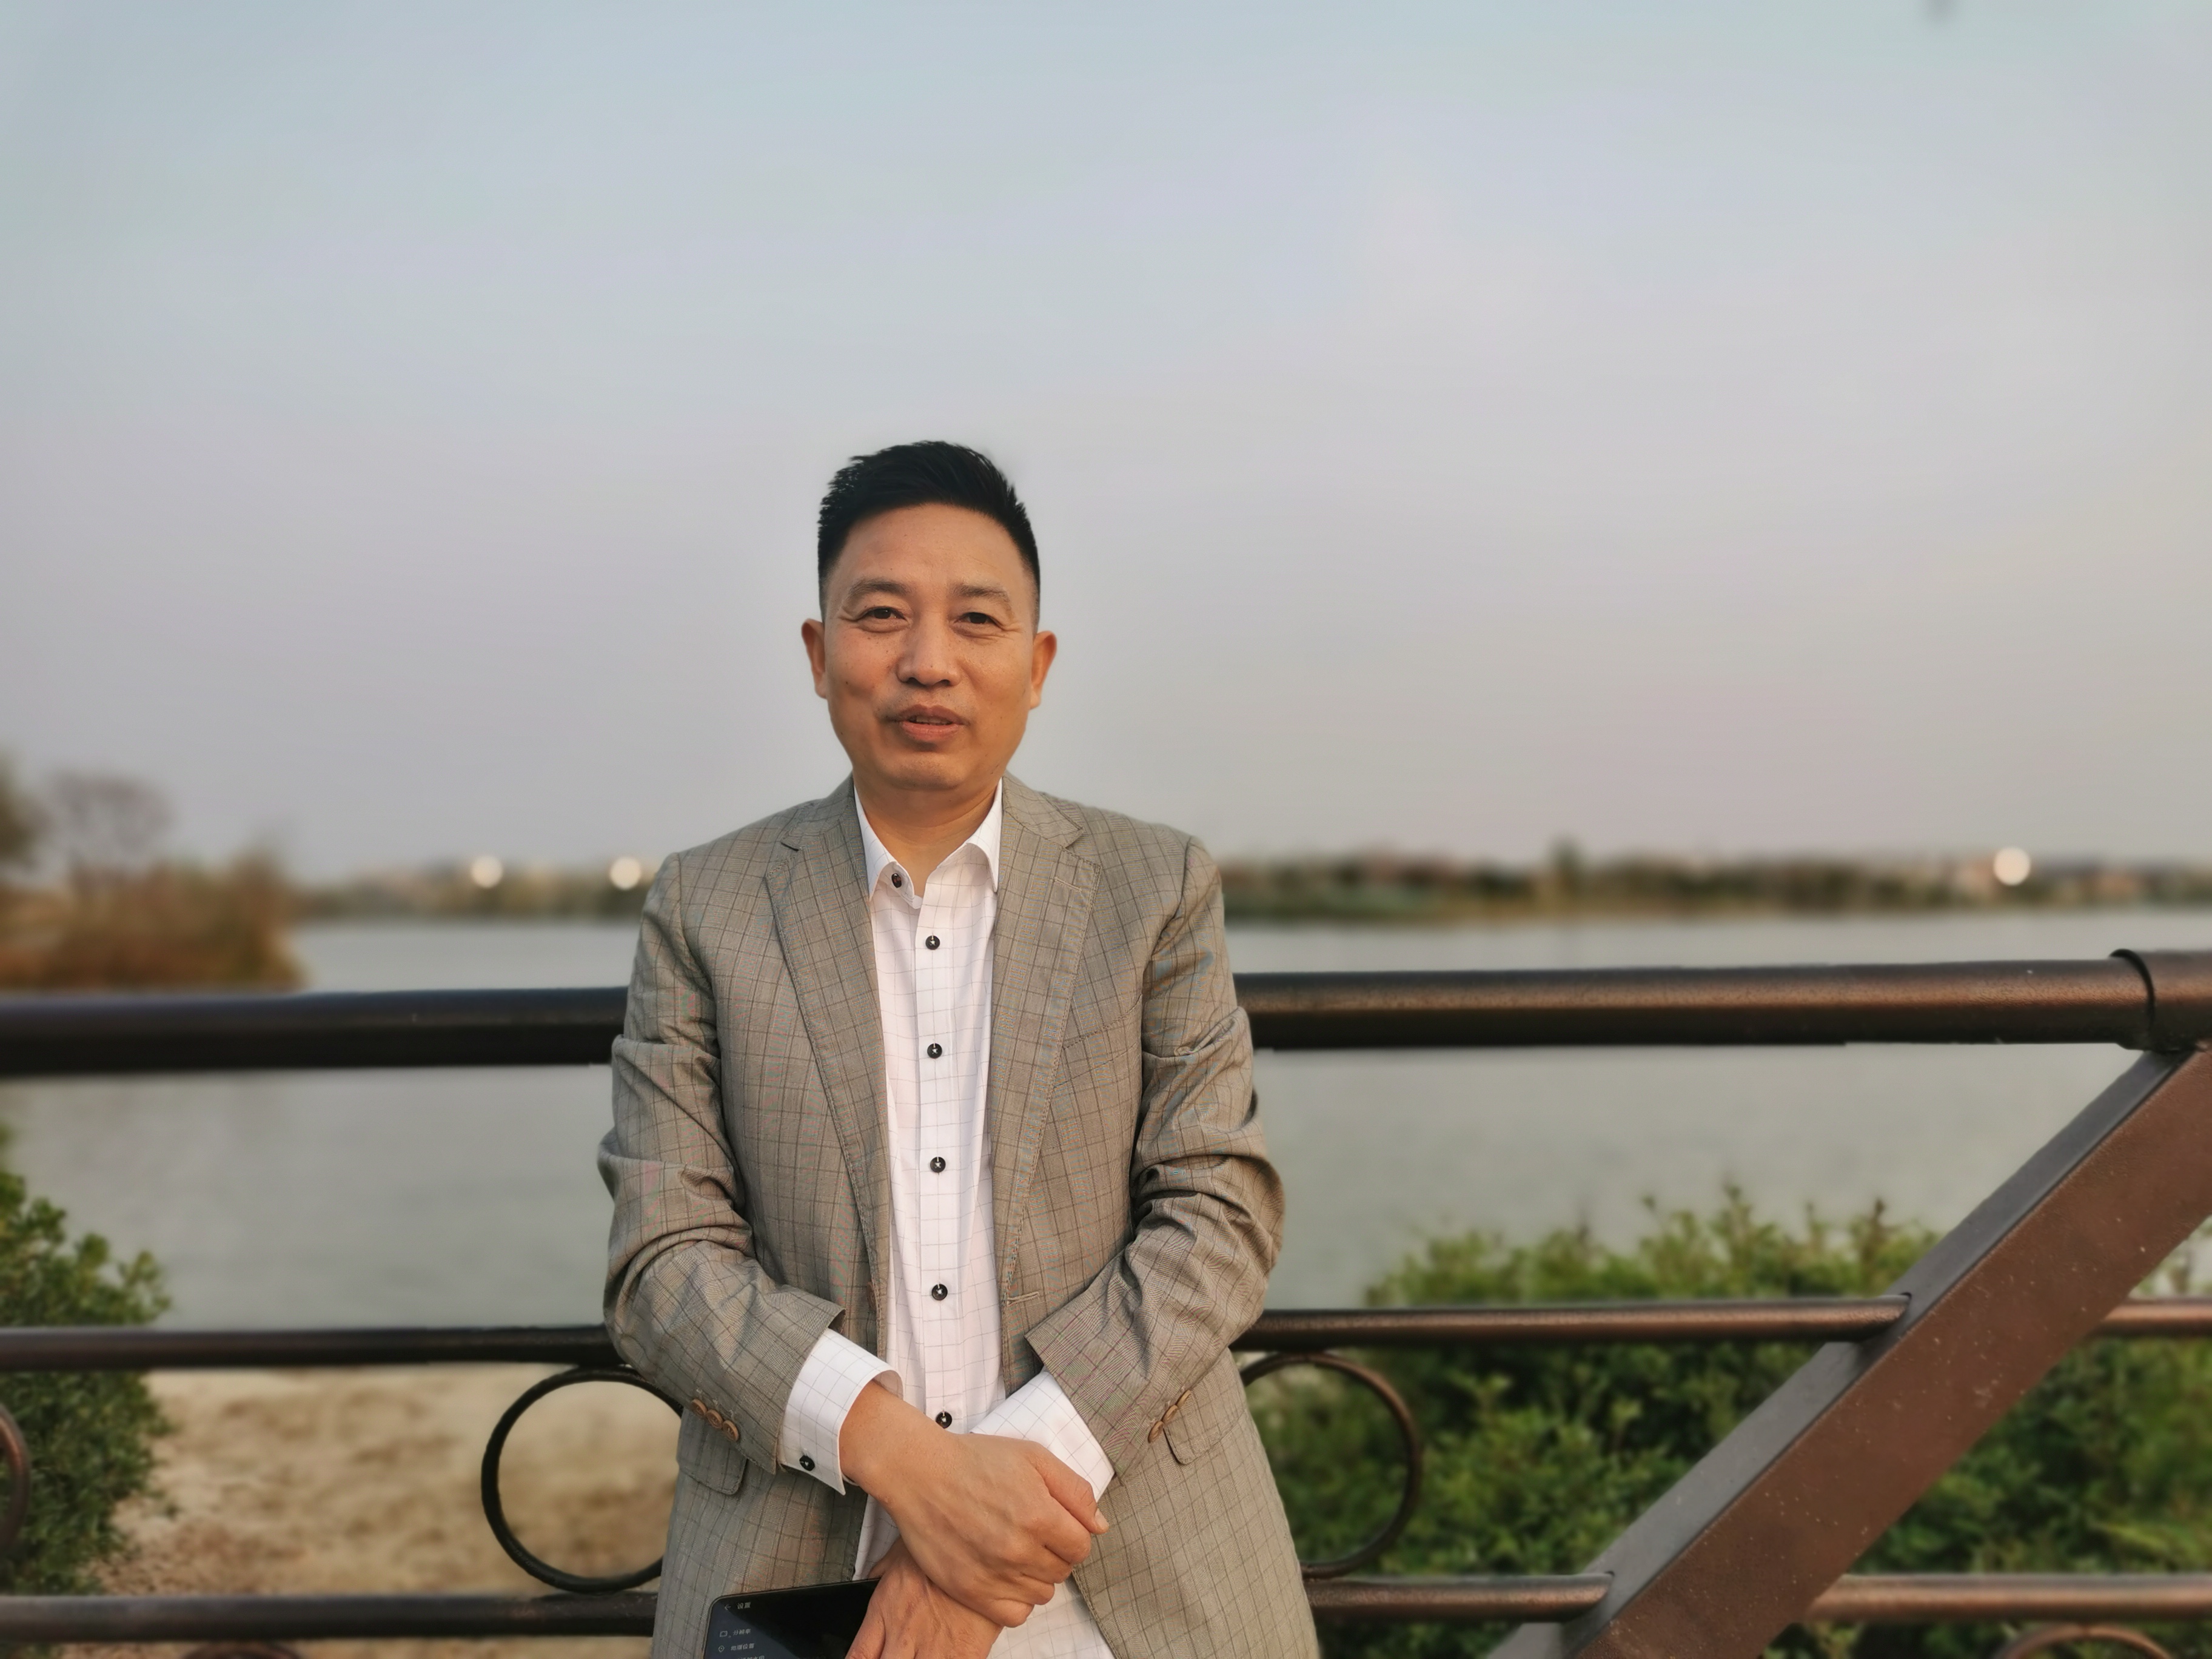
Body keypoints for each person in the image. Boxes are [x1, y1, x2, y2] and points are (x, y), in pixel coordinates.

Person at [600, 441, 1315, 1659]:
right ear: (819, 654)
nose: (928, 659)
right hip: (809, 1576)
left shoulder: (1152, 887)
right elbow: (662, 1262)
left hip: (1132, 1558)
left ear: (1037, 666)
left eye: (977, 620)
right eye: (882, 615)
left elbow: (1219, 1212)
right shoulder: (706, 906)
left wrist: (988, 1526)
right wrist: (915, 1470)